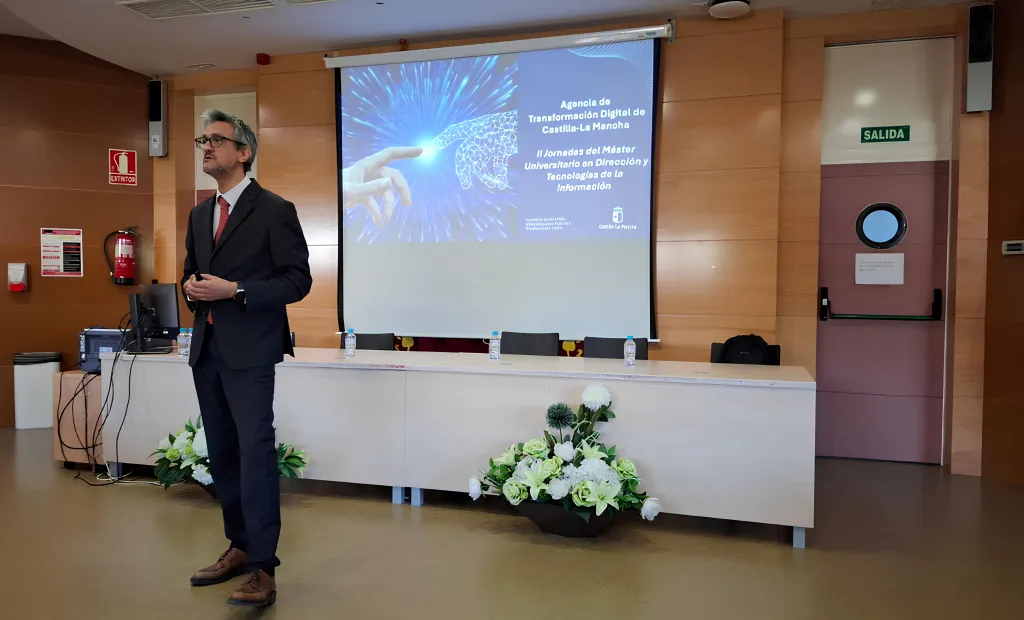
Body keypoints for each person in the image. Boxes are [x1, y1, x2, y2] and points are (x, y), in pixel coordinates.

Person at [180, 108, 312, 608]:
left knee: (255, 456)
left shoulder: (275, 210)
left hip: (251, 353)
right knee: (224, 455)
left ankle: (263, 568)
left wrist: (236, 291)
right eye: (202, 141)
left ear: (244, 151)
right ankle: (237, 547)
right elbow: (191, 275)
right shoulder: (199, 214)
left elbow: (297, 281)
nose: (206, 148)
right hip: (207, 351)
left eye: (216, 140)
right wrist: (192, 289)